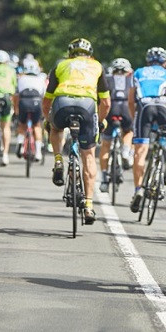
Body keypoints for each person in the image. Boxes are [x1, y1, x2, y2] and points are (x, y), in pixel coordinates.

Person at [43, 38, 110, 225]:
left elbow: (47, 99)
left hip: (62, 102)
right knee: (88, 155)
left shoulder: (61, 65)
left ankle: (58, 160)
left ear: (71, 53)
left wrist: (47, 120)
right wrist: (101, 120)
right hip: (87, 105)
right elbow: (106, 102)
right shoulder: (97, 66)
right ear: (89, 54)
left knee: (55, 128)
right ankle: (88, 205)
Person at [128, 47, 166, 212]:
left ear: (148, 61)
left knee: (141, 150)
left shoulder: (138, 73)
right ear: (165, 63)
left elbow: (130, 101)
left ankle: (138, 189)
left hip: (144, 108)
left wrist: (134, 119)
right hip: (164, 108)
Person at [100, 57, 135, 192]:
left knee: (106, 145)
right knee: (128, 131)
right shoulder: (131, 79)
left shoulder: (107, 78)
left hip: (111, 108)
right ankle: (126, 150)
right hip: (125, 107)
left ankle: (104, 179)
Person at [15, 59, 46, 162]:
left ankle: (20, 143)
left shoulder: (21, 78)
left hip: (23, 102)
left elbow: (16, 95)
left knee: (22, 125)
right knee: (37, 125)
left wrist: (16, 109)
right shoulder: (41, 79)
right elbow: (44, 96)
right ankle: (38, 153)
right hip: (36, 102)